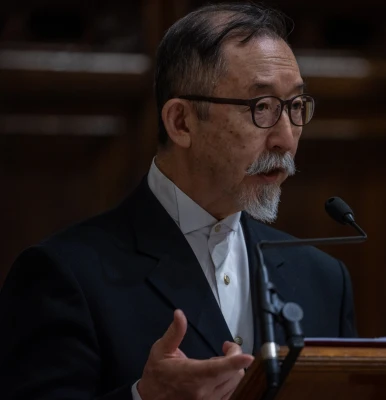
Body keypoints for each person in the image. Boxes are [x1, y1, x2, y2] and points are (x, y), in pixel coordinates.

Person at [0, 3, 357, 400]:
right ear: (181, 122)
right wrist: (143, 397)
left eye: (294, 107)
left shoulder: (324, 281)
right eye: (262, 108)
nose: (286, 139)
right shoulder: (63, 276)